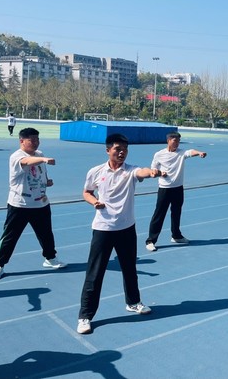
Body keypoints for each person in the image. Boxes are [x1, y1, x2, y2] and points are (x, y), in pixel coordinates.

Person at [77, 133, 164, 334]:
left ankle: (133, 302)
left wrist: (152, 172)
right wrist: (94, 202)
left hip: (126, 229)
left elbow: (142, 172)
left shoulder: (131, 170)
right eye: (118, 148)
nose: (122, 152)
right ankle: (85, 315)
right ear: (108, 150)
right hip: (103, 229)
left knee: (129, 269)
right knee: (95, 273)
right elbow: (87, 192)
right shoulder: (96, 171)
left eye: (125, 149)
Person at [0, 128, 66, 281]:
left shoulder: (39, 154)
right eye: (32, 140)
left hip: (40, 203)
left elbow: (40, 172)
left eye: (37, 140)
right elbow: (26, 162)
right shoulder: (16, 156)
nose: (36, 143)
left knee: (46, 233)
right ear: (22, 141)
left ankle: (50, 258)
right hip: (20, 205)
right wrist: (44, 160)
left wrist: (46, 182)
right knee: (10, 236)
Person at [145, 132, 207, 251]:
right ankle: (151, 240)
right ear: (168, 140)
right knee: (159, 214)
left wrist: (199, 153)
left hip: (178, 188)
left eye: (178, 141)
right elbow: (153, 169)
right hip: (164, 188)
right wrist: (159, 173)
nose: (177, 143)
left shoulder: (181, 153)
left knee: (176, 213)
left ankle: (176, 236)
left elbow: (191, 151)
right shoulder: (159, 154)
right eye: (175, 141)